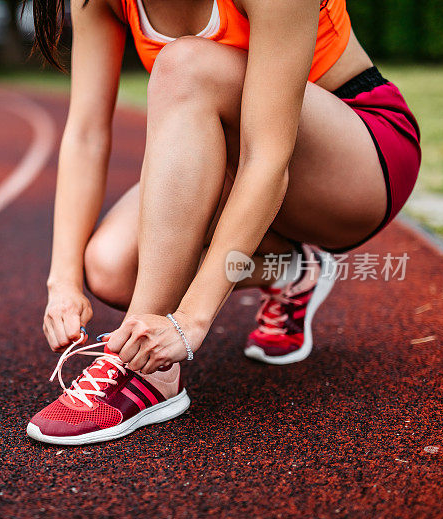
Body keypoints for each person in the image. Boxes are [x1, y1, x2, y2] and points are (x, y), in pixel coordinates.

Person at [26, 0, 420, 445]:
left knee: (186, 64)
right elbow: (86, 134)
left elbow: (269, 158)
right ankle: (294, 269)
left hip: (357, 161)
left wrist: (189, 321)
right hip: (244, 163)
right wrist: (62, 282)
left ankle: (142, 373)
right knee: (110, 267)